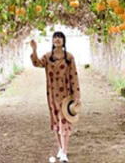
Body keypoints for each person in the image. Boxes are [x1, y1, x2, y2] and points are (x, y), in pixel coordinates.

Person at [30, 31, 81, 162]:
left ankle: (64, 152)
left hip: (66, 96)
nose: (57, 39)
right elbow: (36, 63)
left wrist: (77, 96)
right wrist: (34, 50)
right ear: (52, 41)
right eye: (55, 37)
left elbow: (74, 77)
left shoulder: (69, 58)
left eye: (60, 37)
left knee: (64, 122)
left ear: (64, 41)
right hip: (52, 96)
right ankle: (60, 148)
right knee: (56, 123)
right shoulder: (48, 57)